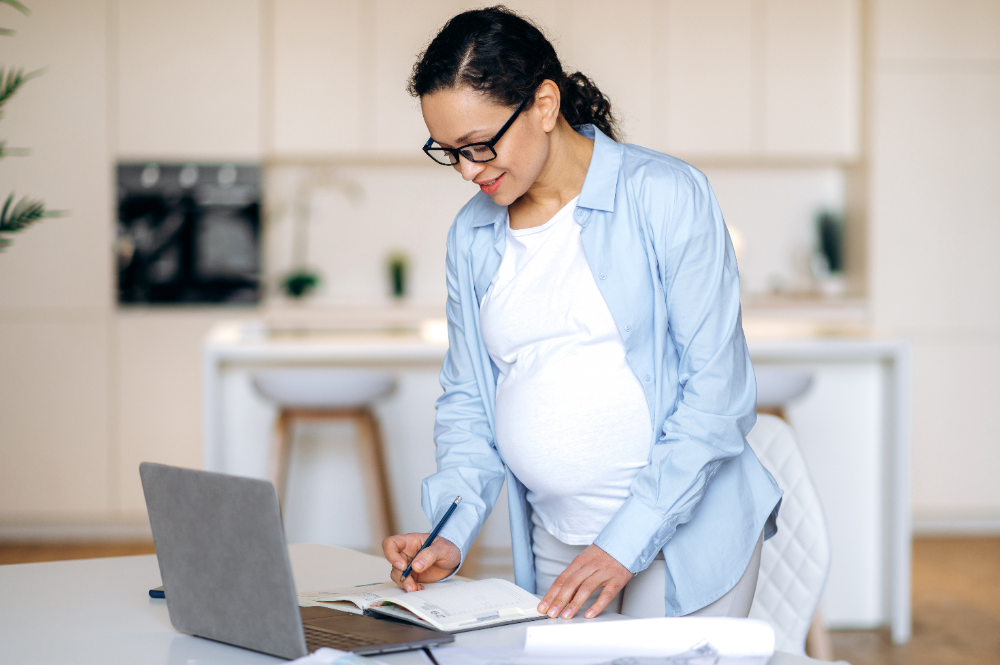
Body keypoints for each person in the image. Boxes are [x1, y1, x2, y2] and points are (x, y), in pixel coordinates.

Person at [381, 5, 782, 622]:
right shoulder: (472, 236)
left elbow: (717, 398)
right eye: (449, 151)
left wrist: (621, 545)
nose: (467, 170)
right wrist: (449, 531)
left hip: (686, 529)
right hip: (557, 535)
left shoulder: (666, 195)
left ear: (545, 105)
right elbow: (468, 400)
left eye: (480, 144)